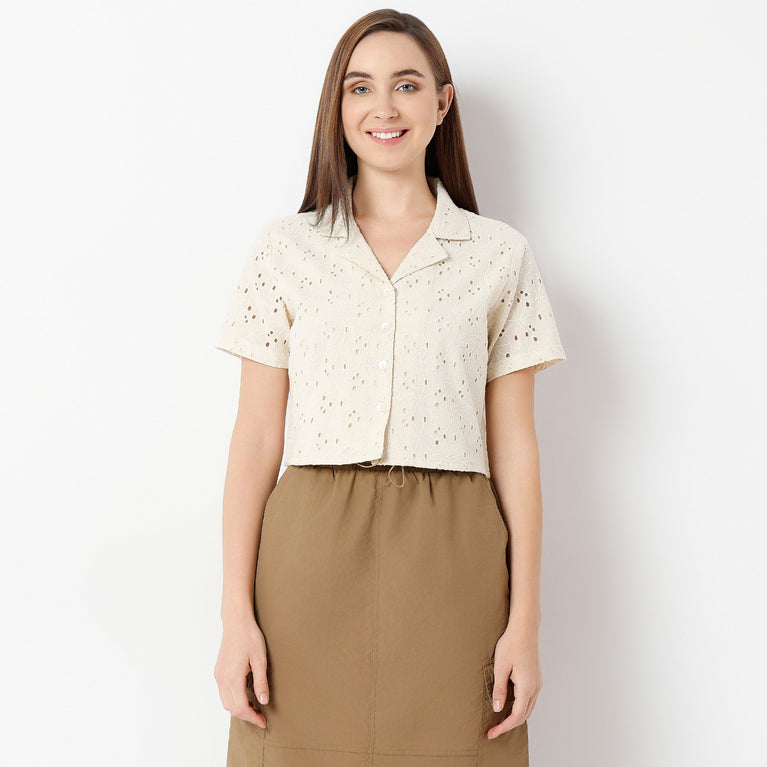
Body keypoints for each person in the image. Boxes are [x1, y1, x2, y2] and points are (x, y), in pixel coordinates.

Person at [213, 9, 566, 767]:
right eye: (360, 87)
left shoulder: (499, 255)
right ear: (336, 108)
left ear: (442, 102)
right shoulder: (285, 249)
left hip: (454, 560)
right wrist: (235, 615)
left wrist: (525, 622)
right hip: (307, 558)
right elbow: (255, 439)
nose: (384, 107)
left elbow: (515, 447)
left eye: (406, 85)